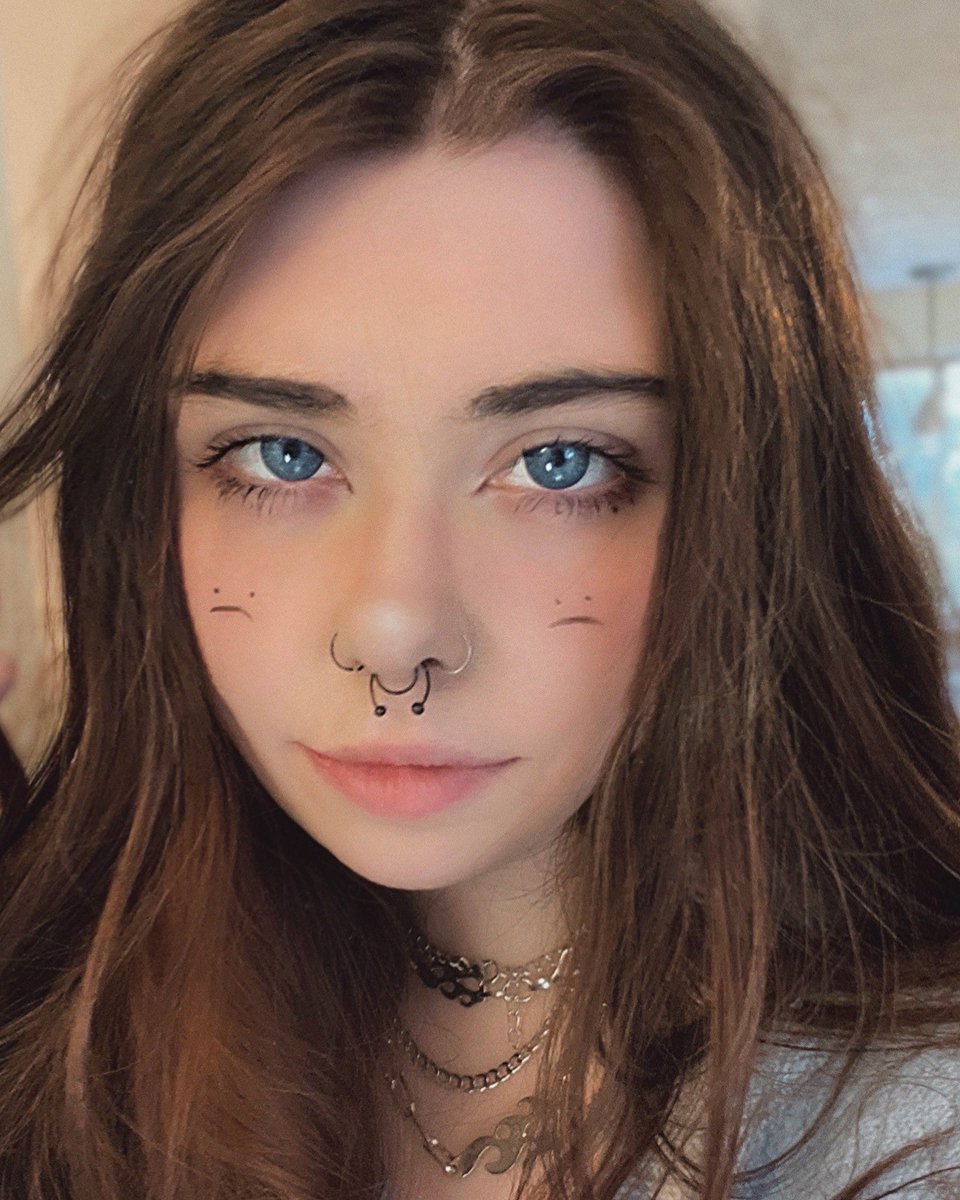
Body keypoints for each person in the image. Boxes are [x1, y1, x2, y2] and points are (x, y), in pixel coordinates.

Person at [1, 1, 959, 1197]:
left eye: (561, 464)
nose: (395, 634)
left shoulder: (909, 1126)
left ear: (755, 508)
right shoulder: (66, 1028)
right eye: (281, 456)